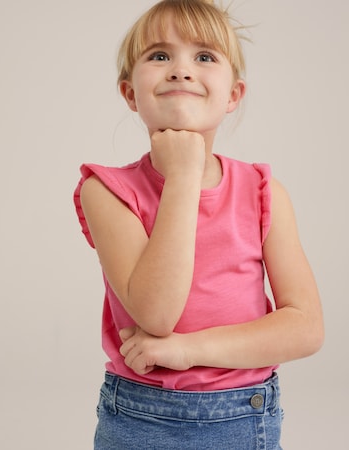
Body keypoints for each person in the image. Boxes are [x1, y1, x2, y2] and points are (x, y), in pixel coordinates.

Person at [73, 1, 324, 448]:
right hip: (140, 417)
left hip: (245, 417)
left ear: (233, 95)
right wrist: (185, 175)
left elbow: (305, 328)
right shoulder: (107, 190)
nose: (181, 70)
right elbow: (155, 312)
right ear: (130, 93)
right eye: (159, 55)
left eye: (204, 57)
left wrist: (187, 351)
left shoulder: (263, 191)